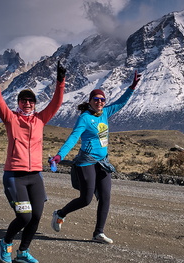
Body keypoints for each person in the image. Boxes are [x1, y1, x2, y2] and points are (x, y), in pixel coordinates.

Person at [0, 55, 66, 263]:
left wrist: (60, 80)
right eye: (24, 100)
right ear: (19, 102)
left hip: (35, 176)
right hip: (14, 176)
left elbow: (56, 102)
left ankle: (23, 252)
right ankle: (5, 243)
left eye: (31, 100)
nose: (27, 103)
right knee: (24, 216)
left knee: (37, 216)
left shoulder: (41, 119)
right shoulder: (10, 118)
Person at [49, 70, 141, 244]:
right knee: (86, 199)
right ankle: (60, 214)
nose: (99, 102)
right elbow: (73, 137)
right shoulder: (84, 118)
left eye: (102, 100)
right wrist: (60, 155)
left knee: (105, 196)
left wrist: (132, 87)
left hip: (103, 162)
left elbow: (121, 102)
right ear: (90, 102)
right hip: (86, 161)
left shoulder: (106, 112)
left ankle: (98, 233)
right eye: (96, 99)